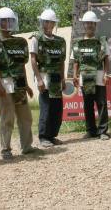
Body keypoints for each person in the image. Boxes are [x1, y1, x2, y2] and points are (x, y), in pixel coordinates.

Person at [0, 7, 41, 159]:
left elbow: (21, 65)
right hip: (5, 85)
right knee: (7, 118)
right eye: (5, 21)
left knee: (26, 117)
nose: (8, 23)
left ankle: (27, 147)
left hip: (20, 85)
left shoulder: (20, 42)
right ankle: (6, 150)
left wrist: (27, 84)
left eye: (11, 20)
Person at [30, 9, 66, 148]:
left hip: (57, 79)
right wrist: (39, 79)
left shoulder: (60, 41)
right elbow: (33, 59)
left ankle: (52, 135)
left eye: (52, 22)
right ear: (42, 23)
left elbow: (62, 61)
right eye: (47, 22)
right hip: (45, 78)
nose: (49, 24)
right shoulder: (37, 38)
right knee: (46, 108)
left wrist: (63, 80)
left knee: (57, 109)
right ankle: (44, 136)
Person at [72, 11, 110, 140]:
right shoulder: (78, 42)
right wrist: (75, 76)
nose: (89, 25)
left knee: (102, 104)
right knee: (87, 105)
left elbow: (106, 59)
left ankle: (103, 131)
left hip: (99, 78)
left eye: (92, 23)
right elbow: (75, 60)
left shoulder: (102, 41)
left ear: (95, 25)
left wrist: (106, 74)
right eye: (87, 23)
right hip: (85, 78)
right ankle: (90, 130)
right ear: (83, 25)